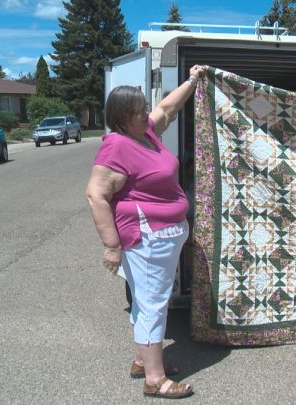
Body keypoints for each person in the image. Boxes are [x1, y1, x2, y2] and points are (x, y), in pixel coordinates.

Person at [86, 64, 208, 398]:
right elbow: (96, 195)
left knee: (147, 299)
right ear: (122, 117)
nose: (146, 114)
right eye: (139, 111)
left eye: (144, 109)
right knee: (154, 303)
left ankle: (143, 360)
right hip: (147, 239)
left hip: (162, 237)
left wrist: (192, 80)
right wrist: (111, 245)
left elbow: (167, 108)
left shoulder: (144, 134)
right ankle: (155, 380)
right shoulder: (116, 146)